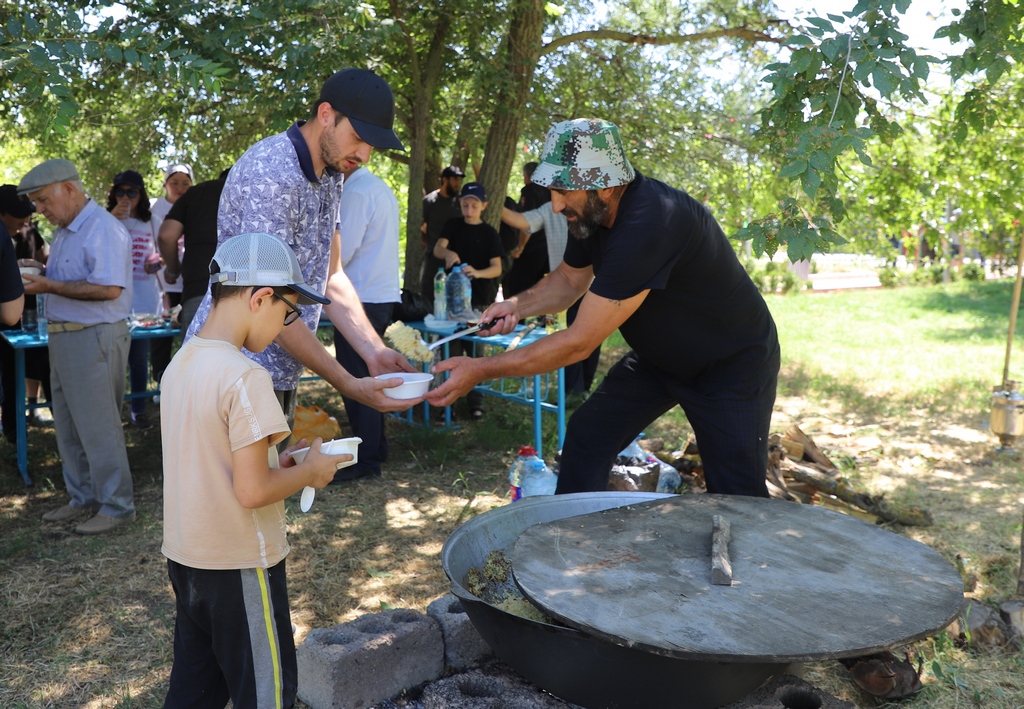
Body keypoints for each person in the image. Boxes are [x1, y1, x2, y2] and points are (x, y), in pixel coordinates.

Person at [427, 119, 780, 497]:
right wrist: (515, 304)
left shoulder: (650, 223)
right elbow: (568, 281)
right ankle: (573, 529)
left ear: (606, 185)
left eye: (564, 191)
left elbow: (578, 343)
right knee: (588, 437)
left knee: (736, 493)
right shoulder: (592, 213)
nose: (556, 205)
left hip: (729, 363)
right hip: (660, 359)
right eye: (553, 191)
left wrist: (479, 369)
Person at [161, 232, 350, 709]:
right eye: (289, 313)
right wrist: (310, 473)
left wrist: (280, 464)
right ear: (261, 297)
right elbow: (251, 492)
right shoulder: (246, 377)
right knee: (266, 694)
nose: (287, 325)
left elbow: (212, 461)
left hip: (187, 559)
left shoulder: (180, 364)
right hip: (240, 563)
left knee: (194, 690)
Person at [185, 68, 418, 430]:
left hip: (275, 377)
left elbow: (333, 275)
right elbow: (268, 300)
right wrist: (347, 383)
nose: (365, 155)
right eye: (358, 138)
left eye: (372, 145)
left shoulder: (333, 174)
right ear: (325, 115)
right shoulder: (273, 173)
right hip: (232, 373)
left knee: (274, 470)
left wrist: (374, 352)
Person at [18, 158, 135, 534]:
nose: (39, 209)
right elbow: (74, 278)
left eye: (42, 199)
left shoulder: (103, 227)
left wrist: (48, 285)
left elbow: (109, 289)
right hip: (65, 336)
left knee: (99, 427)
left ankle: (117, 506)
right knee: (68, 425)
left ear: (69, 189)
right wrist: (41, 273)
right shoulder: (66, 230)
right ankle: (82, 497)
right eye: (36, 202)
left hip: (94, 336)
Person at [332, 164, 401, 482]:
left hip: (359, 298)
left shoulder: (357, 192)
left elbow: (340, 254)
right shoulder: (376, 187)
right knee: (368, 375)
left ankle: (367, 459)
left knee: (358, 380)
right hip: (376, 296)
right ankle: (375, 448)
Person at [500, 187, 599, 395]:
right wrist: (494, 203)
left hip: (594, 286)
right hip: (564, 287)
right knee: (570, 335)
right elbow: (523, 222)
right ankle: (574, 391)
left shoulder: (591, 205)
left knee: (590, 336)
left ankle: (581, 390)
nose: (557, 202)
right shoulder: (550, 208)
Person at [432, 181, 503, 418]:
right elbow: (438, 249)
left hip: (480, 302)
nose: (469, 210)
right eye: (465, 205)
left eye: (474, 205)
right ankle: (447, 405)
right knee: (450, 352)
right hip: (453, 303)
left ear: (484, 206)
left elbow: (497, 268)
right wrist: (448, 253)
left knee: (477, 354)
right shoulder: (452, 225)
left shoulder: (490, 233)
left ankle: (476, 404)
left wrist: (477, 273)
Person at [107, 170, 162, 430]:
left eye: (132, 192)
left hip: (144, 303)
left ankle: (138, 409)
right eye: (121, 191)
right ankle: (109, 411)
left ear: (141, 195)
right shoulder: (105, 220)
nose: (126, 197)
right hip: (112, 303)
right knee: (111, 361)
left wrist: (158, 262)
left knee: (139, 361)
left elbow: (165, 252)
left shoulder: (152, 222)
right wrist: (111, 220)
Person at [159, 167, 229, 332]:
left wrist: (173, 270)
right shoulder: (257, 194)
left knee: (196, 349)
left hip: (199, 292)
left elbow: (167, 235)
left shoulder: (198, 192)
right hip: (249, 296)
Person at [0, 186, 43, 439]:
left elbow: (42, 259)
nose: (25, 220)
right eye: (19, 214)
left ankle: (16, 428)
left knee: (17, 372)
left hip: (27, 313)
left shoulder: (29, 232)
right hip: (9, 312)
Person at [150, 163, 193, 381]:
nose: (180, 188)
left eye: (185, 183)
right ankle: (160, 382)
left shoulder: (196, 205)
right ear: (165, 184)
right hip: (161, 283)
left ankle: (186, 383)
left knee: (190, 335)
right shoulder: (154, 207)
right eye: (174, 183)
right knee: (160, 337)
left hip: (189, 283)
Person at [502, 161, 551, 298]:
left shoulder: (529, 191)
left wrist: (520, 247)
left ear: (528, 176)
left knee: (515, 289)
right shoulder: (550, 192)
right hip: (547, 249)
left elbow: (527, 222)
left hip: (531, 249)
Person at [419, 165, 465, 304]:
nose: (458, 183)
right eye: (455, 179)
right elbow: (421, 228)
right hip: (433, 260)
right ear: (445, 180)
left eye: (460, 180)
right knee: (429, 299)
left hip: (457, 261)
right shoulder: (429, 201)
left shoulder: (460, 203)